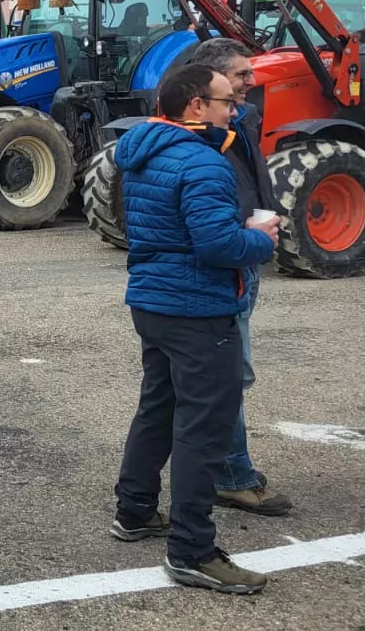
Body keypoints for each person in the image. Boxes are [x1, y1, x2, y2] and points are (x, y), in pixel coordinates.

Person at [111, 64, 279, 595]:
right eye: (227, 100)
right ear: (194, 106)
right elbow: (218, 247)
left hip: (153, 301)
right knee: (203, 429)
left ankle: (134, 510)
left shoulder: (142, 152)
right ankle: (192, 550)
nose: (236, 109)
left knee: (158, 407)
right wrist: (262, 239)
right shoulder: (205, 164)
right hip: (198, 309)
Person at [185, 38, 293, 516]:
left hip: (247, 252)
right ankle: (231, 474)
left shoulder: (242, 121)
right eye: (242, 76)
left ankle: (213, 469)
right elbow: (208, 223)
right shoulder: (197, 140)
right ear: (211, 83)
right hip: (227, 261)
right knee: (229, 375)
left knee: (212, 378)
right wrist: (243, 235)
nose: (253, 81)